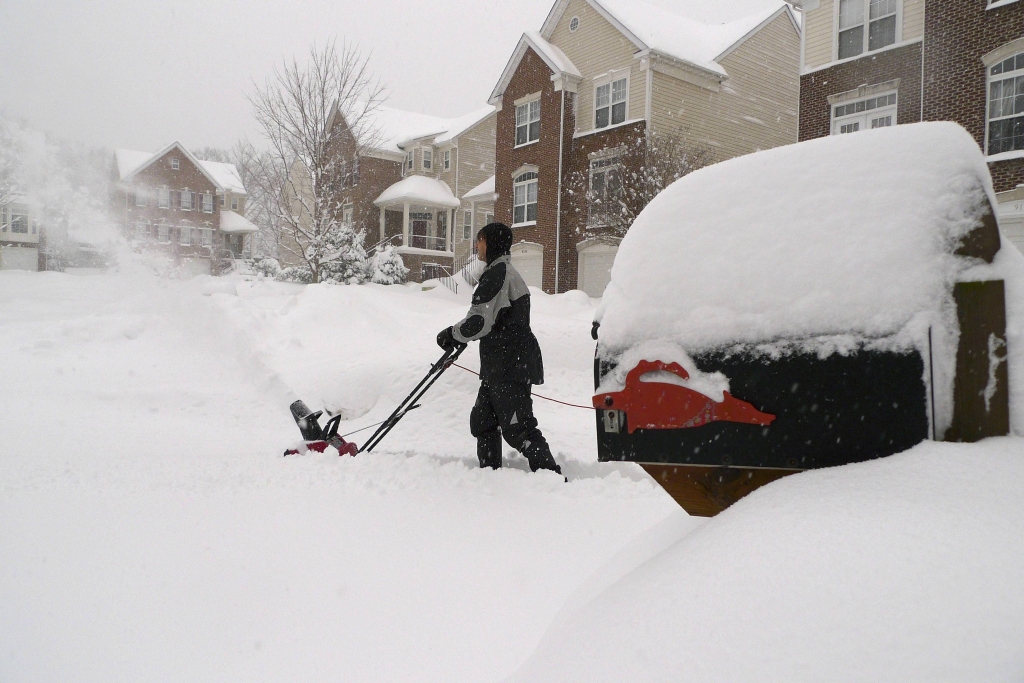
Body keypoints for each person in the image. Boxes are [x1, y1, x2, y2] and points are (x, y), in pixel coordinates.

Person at [437, 222, 562, 475]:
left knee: (519, 429)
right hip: (500, 364)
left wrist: (452, 334)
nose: (476, 245)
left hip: (510, 364)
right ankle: (489, 475)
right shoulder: (499, 271)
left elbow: (479, 321)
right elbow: (491, 321)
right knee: (483, 421)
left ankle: (551, 477)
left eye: (480, 240)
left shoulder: (498, 273)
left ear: (491, 242)